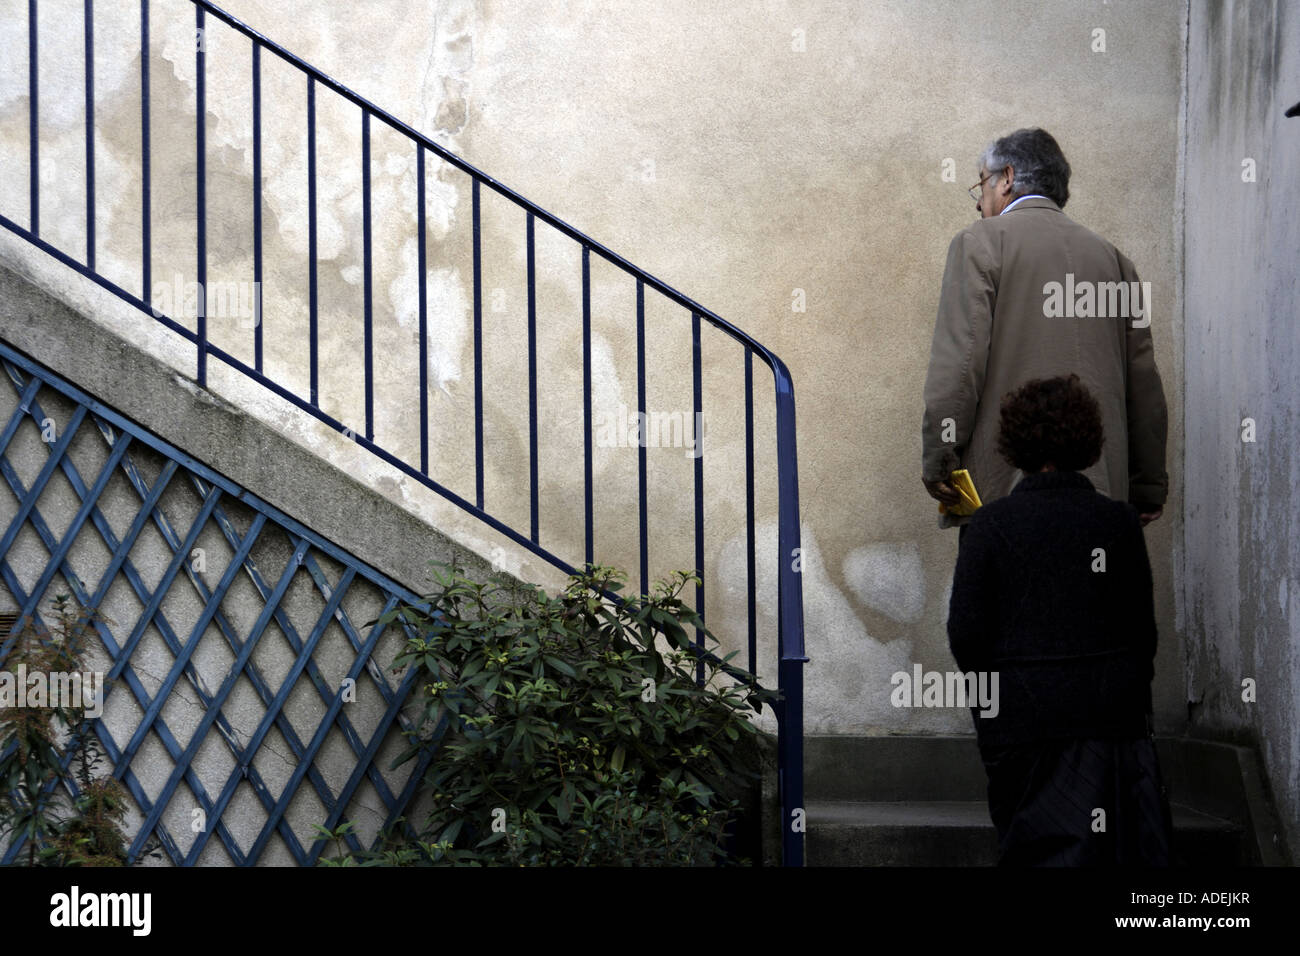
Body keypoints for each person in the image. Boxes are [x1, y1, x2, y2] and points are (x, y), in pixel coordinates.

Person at [947, 374, 1174, 865]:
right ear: (1088, 440)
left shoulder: (990, 525)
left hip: (1021, 725)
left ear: (1015, 444)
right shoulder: (1117, 522)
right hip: (1110, 724)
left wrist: (997, 705)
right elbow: (1142, 632)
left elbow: (966, 634)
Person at [921, 128, 1168, 531]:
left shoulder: (979, 243)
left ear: (1007, 178)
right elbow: (1144, 385)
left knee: (1006, 593)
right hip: (1101, 493)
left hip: (1004, 493)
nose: (980, 202)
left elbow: (959, 365)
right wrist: (1147, 486)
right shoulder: (1115, 262)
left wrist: (940, 459)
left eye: (981, 184)